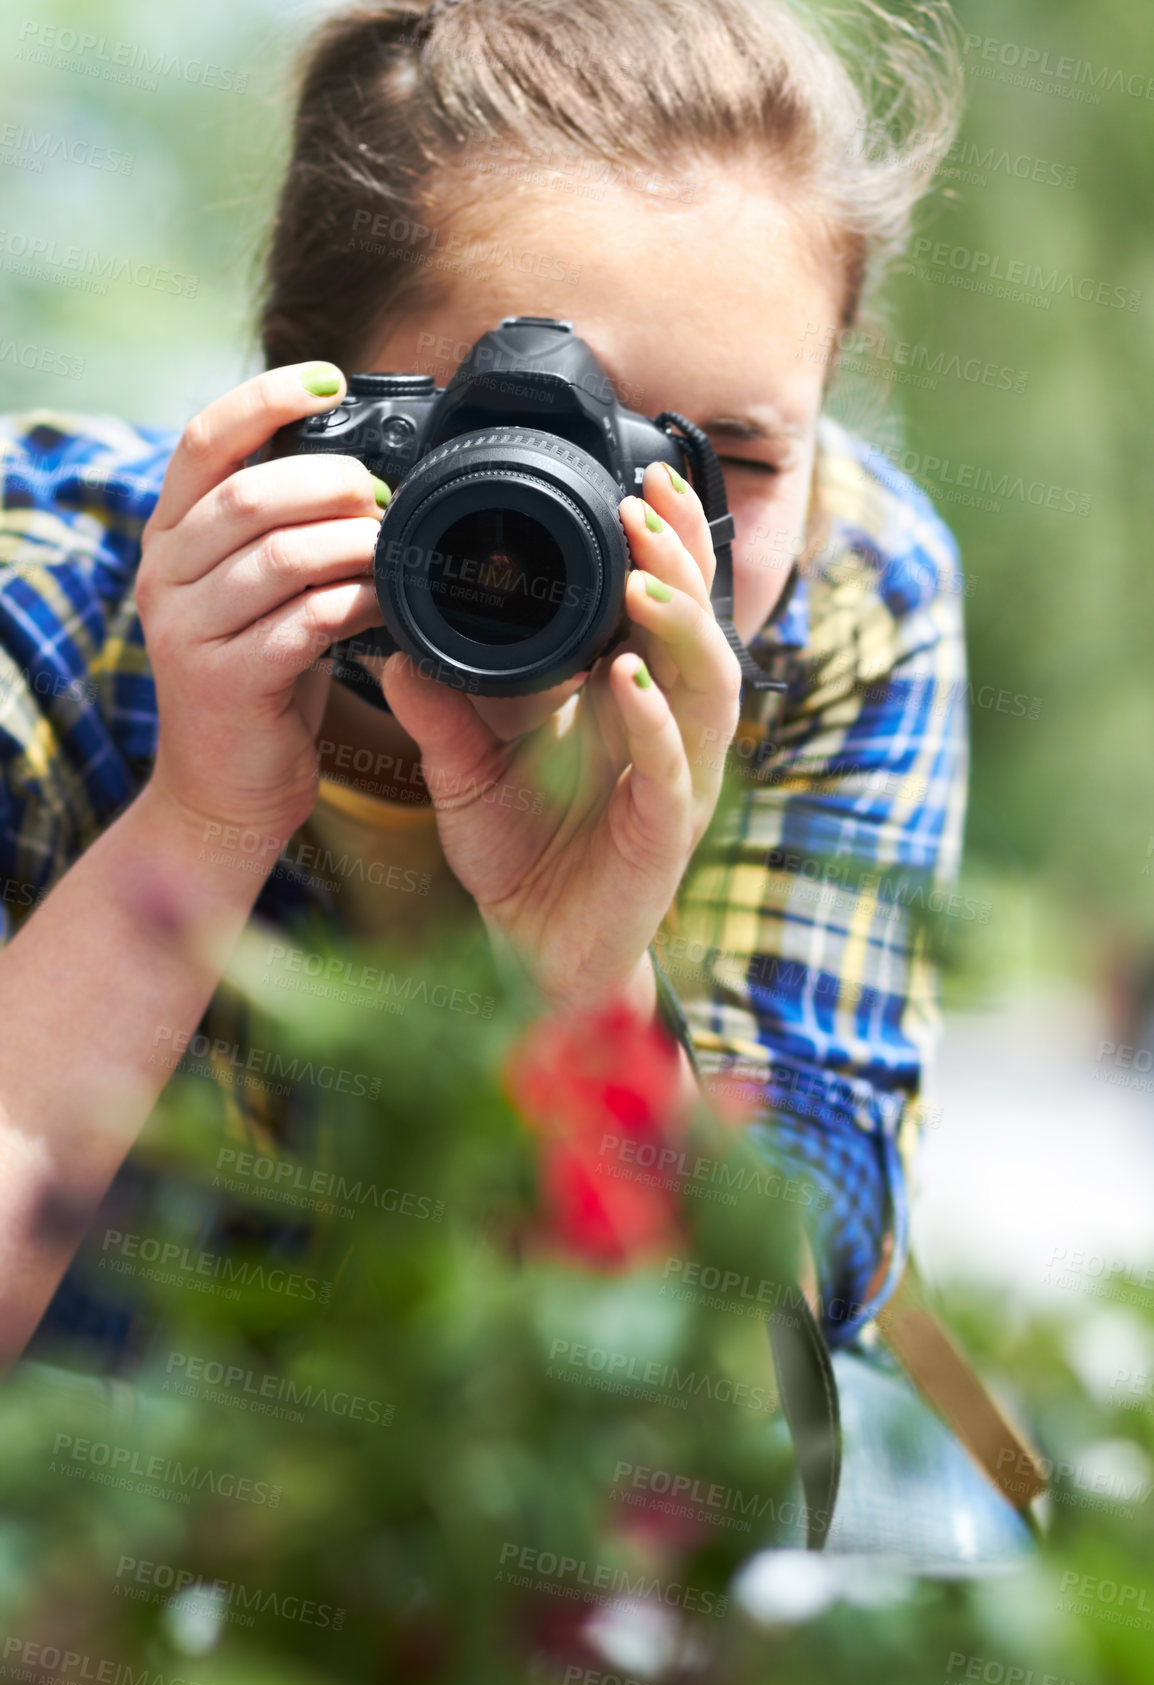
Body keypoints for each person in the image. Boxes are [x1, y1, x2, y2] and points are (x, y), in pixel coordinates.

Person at [0, 0, 972, 1524]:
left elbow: (732, 1457)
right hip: (74, 1504)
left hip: (497, 1541)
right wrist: (200, 820)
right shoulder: (47, 587)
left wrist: (594, 990)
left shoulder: (836, 601)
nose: (594, 529)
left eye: (724, 459)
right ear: (304, 410)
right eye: (497, 431)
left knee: (929, 1507)